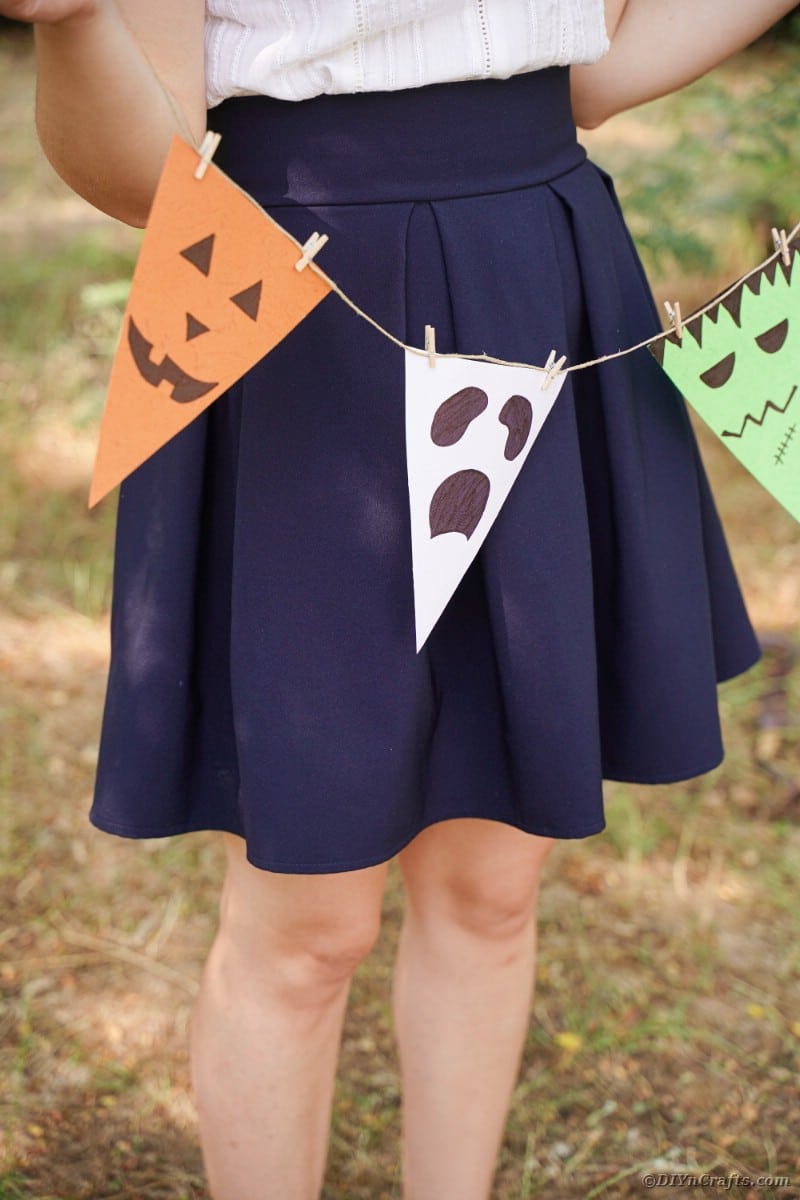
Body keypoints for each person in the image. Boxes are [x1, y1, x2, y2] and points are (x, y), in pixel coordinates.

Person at [3, 2, 795, 1198]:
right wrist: (67, 24)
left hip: (541, 266)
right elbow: (144, 171)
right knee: (307, 922)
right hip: (299, 300)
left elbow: (599, 67)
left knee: (492, 884)